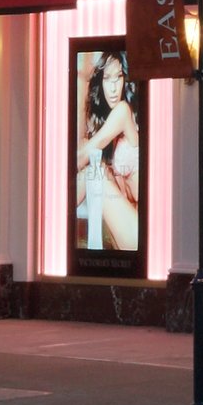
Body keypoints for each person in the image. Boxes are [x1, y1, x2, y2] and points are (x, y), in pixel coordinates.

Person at [76, 53, 140, 260]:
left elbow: (78, 159)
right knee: (95, 170)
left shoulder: (122, 111)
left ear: (125, 79)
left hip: (139, 230)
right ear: (100, 82)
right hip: (130, 223)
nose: (113, 88)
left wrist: (81, 79)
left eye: (118, 77)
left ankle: (50, 220)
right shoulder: (115, 123)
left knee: (92, 172)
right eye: (107, 79)